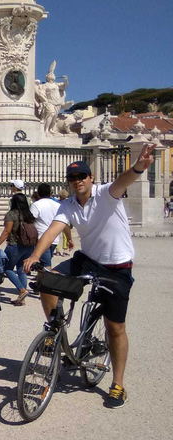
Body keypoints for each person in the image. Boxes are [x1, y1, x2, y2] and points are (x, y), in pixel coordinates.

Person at [24, 143, 158, 409]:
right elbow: (52, 230)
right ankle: (54, 329)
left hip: (117, 267)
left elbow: (123, 180)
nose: (77, 181)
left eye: (81, 176)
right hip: (87, 260)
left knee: (115, 328)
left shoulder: (107, 194)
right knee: (45, 280)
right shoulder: (68, 204)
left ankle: (118, 384)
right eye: (72, 178)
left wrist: (138, 167)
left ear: (91, 178)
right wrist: (36, 256)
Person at [0, 193, 37, 306]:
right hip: (29, 245)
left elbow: (7, 231)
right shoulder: (29, 215)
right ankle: (22, 298)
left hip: (15, 245)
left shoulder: (11, 214)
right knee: (21, 270)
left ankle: (22, 290)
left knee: (7, 268)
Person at [30, 183, 72, 268]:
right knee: (43, 265)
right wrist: (69, 238)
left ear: (38, 193)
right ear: (51, 193)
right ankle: (41, 280)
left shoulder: (36, 205)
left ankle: (49, 280)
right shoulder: (58, 205)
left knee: (46, 266)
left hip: (41, 239)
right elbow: (65, 225)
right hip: (54, 240)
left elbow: (30, 222)